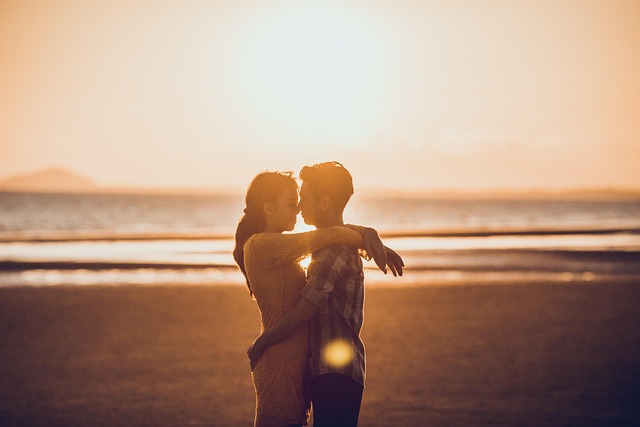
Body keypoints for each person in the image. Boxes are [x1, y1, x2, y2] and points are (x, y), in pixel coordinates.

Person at [234, 170, 399, 427]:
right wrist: (370, 236)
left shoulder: (282, 247)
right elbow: (331, 235)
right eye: (291, 202)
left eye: (300, 200)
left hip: (301, 368)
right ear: (268, 207)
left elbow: (330, 234)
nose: (298, 208)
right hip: (280, 362)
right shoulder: (261, 245)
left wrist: (368, 235)